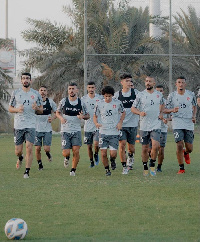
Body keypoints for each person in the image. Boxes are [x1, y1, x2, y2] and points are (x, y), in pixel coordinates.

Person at [8, 72, 43, 178]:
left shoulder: (36, 94)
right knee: (18, 151)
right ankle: (20, 157)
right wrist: (17, 109)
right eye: (24, 78)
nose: (26, 80)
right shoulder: (16, 93)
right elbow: (10, 108)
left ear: (30, 80)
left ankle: (27, 171)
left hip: (31, 124)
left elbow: (41, 110)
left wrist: (36, 108)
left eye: (27, 78)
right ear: (21, 81)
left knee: (29, 147)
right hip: (18, 125)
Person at [131, 76, 164, 176]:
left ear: (154, 83)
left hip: (156, 124)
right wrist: (140, 112)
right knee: (145, 148)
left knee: (155, 146)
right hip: (144, 126)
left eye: (150, 81)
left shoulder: (159, 95)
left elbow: (162, 105)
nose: (148, 83)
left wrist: (161, 113)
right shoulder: (140, 95)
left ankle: (152, 165)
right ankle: (145, 167)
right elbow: (133, 108)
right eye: (146, 81)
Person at [56, 82, 89, 176]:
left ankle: (73, 170)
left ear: (77, 90)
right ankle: (67, 158)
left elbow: (88, 115)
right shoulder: (63, 101)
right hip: (65, 131)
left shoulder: (81, 102)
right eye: (70, 89)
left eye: (73, 89)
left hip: (76, 131)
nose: (71, 91)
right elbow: (57, 112)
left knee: (76, 150)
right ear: (68, 90)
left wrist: (82, 117)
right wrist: (61, 118)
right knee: (65, 152)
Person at [165, 76, 197, 174]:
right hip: (177, 121)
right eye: (179, 82)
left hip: (188, 122)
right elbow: (164, 109)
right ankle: (181, 168)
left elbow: (195, 106)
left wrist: (194, 116)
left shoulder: (191, 94)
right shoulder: (172, 96)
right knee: (179, 144)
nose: (181, 84)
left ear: (185, 84)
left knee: (189, 148)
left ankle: (186, 152)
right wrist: (172, 110)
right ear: (176, 84)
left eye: (182, 82)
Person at [93, 86, 126, 176]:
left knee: (113, 153)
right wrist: (96, 123)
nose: (107, 98)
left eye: (109, 96)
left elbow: (123, 112)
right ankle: (107, 170)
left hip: (114, 132)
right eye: (106, 96)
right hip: (103, 132)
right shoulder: (99, 104)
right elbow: (95, 116)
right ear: (103, 95)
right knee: (103, 153)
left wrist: (120, 122)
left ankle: (112, 160)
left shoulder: (118, 103)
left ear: (112, 95)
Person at [114, 73, 139, 174]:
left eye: (130, 81)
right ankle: (124, 167)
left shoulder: (136, 93)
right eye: (127, 81)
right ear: (122, 82)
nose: (129, 83)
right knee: (122, 144)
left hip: (133, 125)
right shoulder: (117, 95)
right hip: (122, 125)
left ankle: (131, 156)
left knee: (131, 148)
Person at [34, 85, 57, 170]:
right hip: (36, 129)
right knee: (37, 148)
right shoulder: (35, 102)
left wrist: (53, 118)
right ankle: (40, 165)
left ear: (46, 92)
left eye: (44, 90)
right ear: (38, 92)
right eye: (41, 90)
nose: (43, 92)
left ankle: (48, 154)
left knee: (46, 149)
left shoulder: (50, 102)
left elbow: (57, 112)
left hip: (47, 129)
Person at [149, 85, 170, 172]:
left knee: (161, 148)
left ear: (163, 92)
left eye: (161, 91)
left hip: (162, 128)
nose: (159, 92)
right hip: (151, 128)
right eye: (157, 91)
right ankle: (152, 160)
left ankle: (159, 167)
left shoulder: (167, 102)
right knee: (150, 149)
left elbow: (172, 115)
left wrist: (167, 119)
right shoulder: (150, 101)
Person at [81, 81, 103, 168]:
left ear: (95, 88)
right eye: (89, 88)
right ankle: (91, 162)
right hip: (88, 127)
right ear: (87, 88)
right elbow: (81, 111)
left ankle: (96, 154)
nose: (91, 89)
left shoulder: (100, 98)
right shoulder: (83, 99)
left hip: (97, 125)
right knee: (89, 146)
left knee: (96, 144)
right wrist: (82, 115)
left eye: (92, 87)